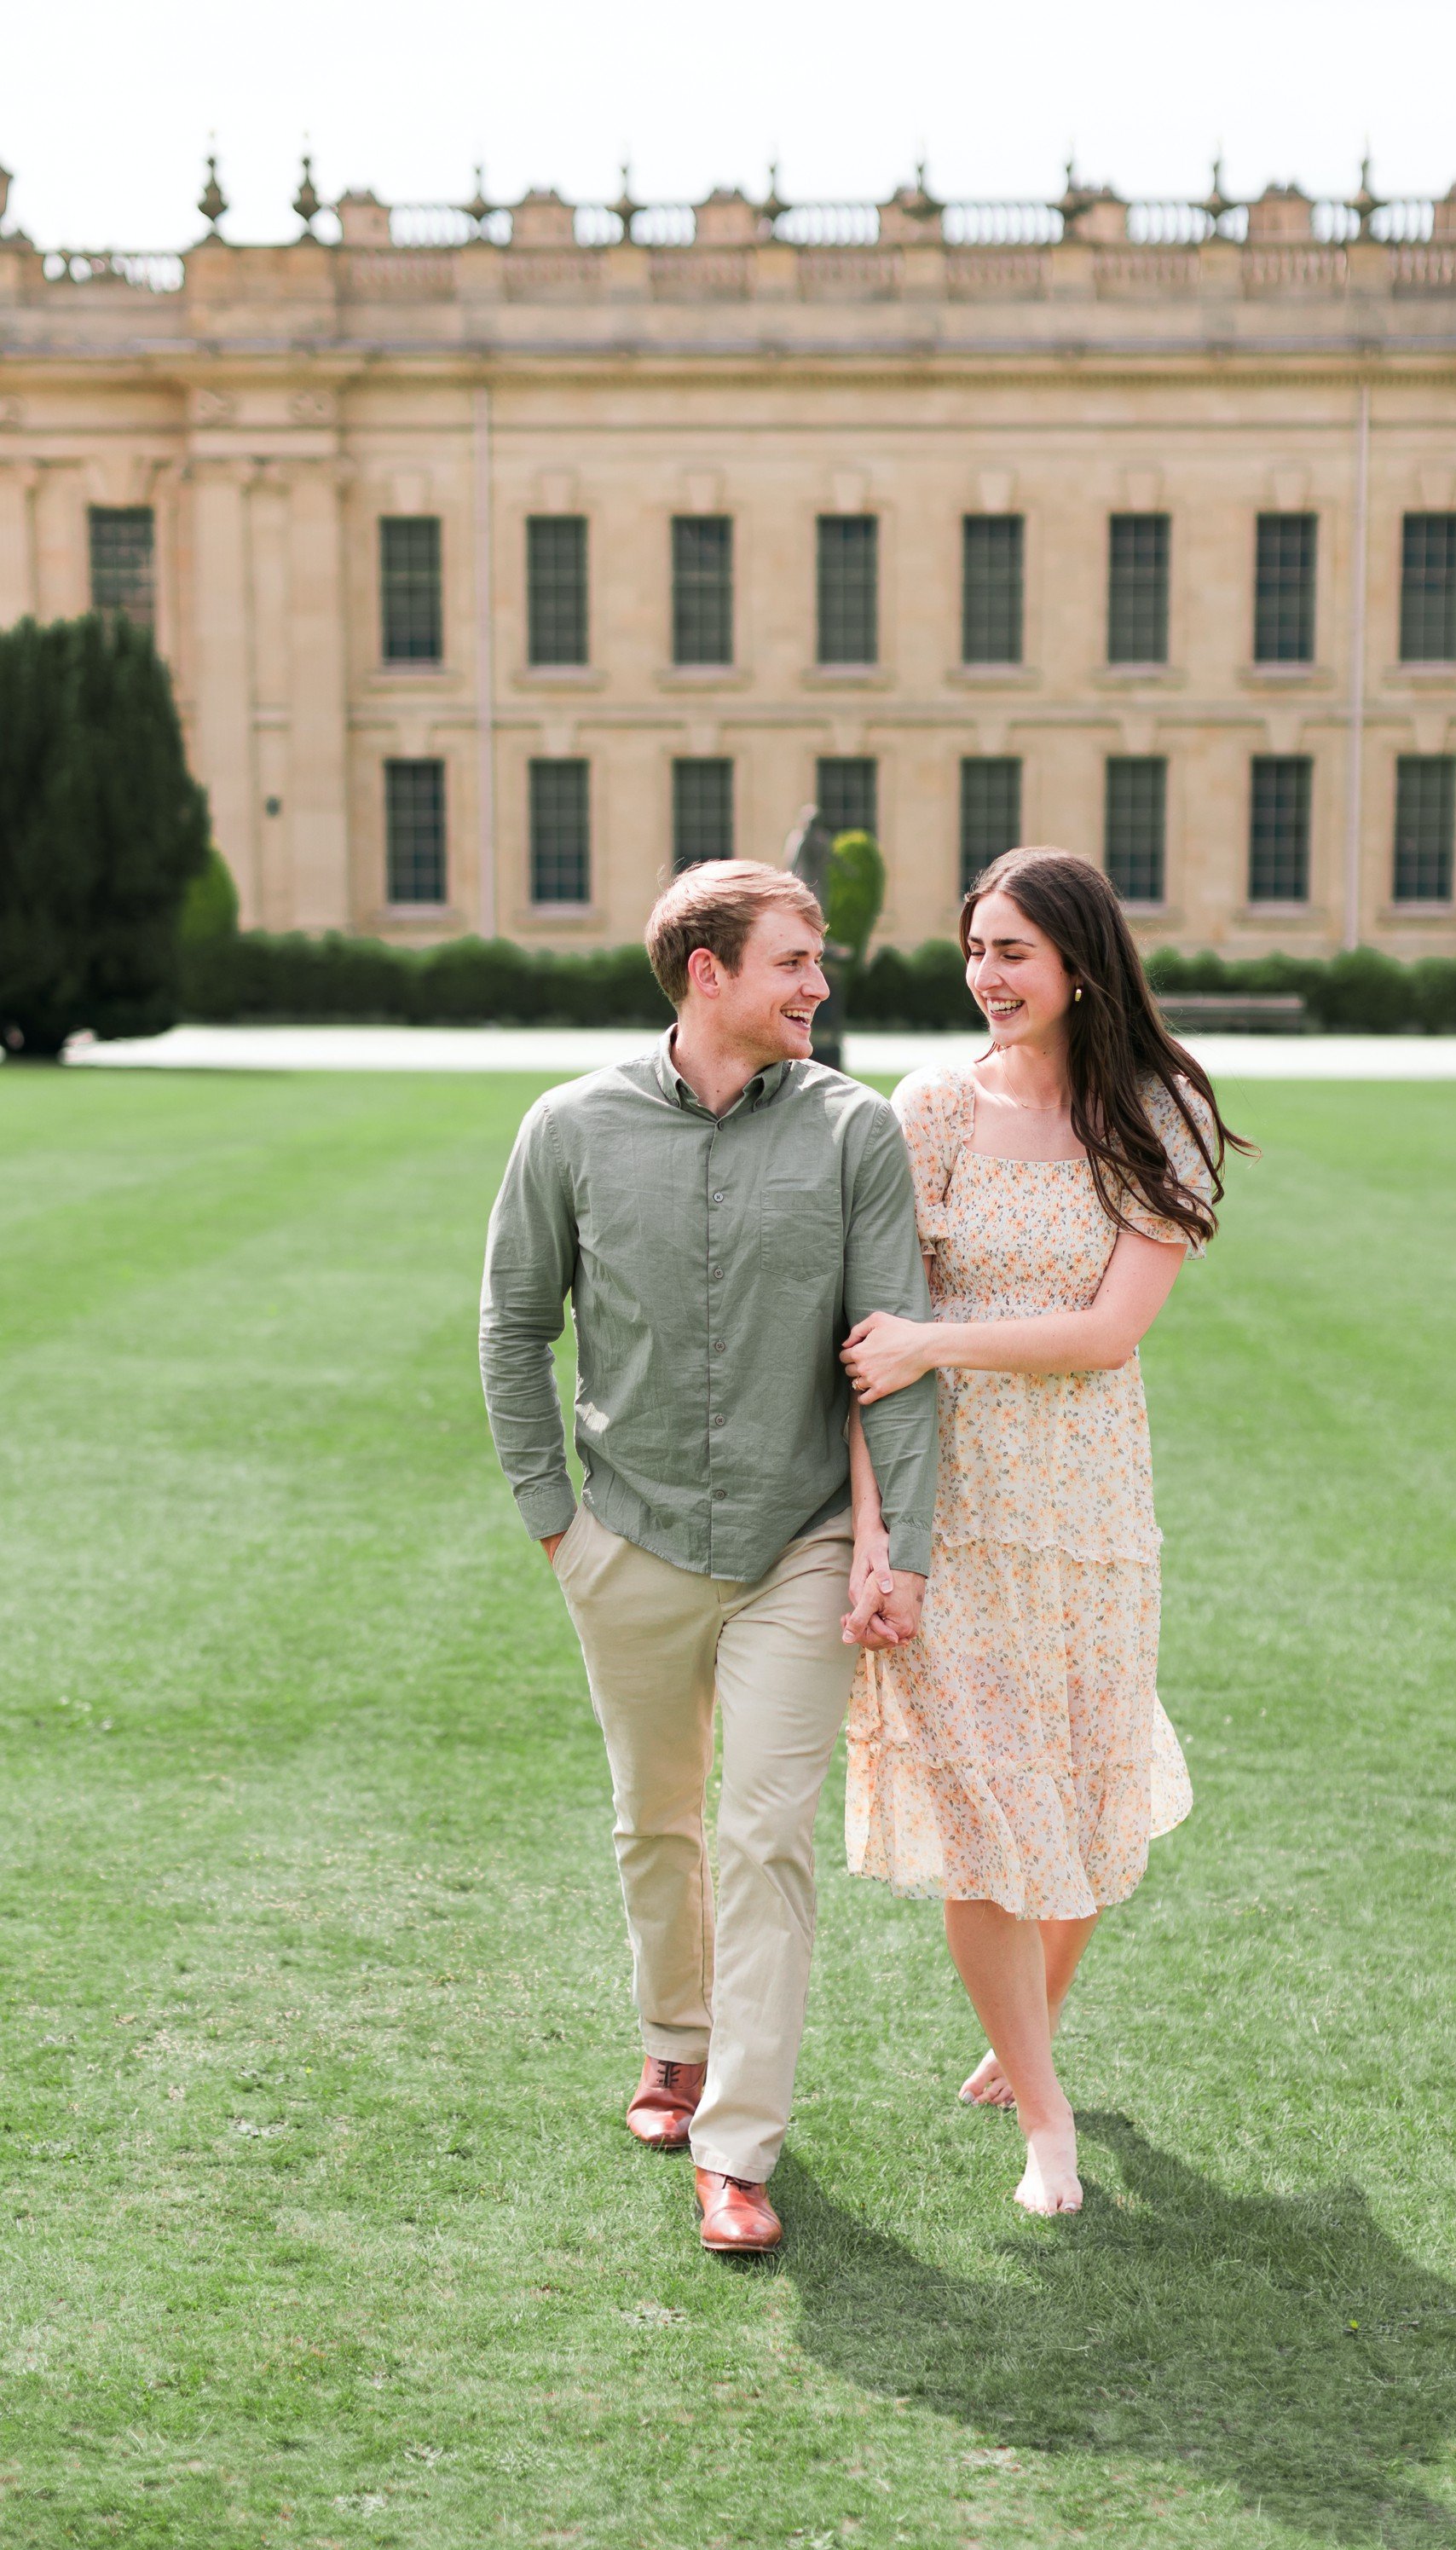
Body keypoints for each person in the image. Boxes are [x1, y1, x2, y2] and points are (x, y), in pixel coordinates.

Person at [478, 861, 936, 2257]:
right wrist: (557, 1518)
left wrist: (895, 1547)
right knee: (656, 1817)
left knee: (766, 1836)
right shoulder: (569, 1126)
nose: (821, 984)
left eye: (820, 959)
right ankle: (672, 2041)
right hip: (628, 1535)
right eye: (795, 961)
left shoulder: (857, 1133)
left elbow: (895, 1354)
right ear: (708, 973)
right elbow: (512, 1328)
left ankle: (737, 2149)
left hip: (803, 1540)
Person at [840, 847, 1245, 2217]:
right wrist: (873, 1533)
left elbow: (1107, 1332)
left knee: (1081, 1803)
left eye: (1012, 950)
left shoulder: (1159, 1108)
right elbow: (867, 1345)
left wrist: (933, 1342)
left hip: (1088, 1511)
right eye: (975, 950)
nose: (987, 977)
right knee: (982, 1815)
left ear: (1079, 962)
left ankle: (1024, 2043)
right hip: (950, 1513)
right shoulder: (931, 1111)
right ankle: (1048, 2117)